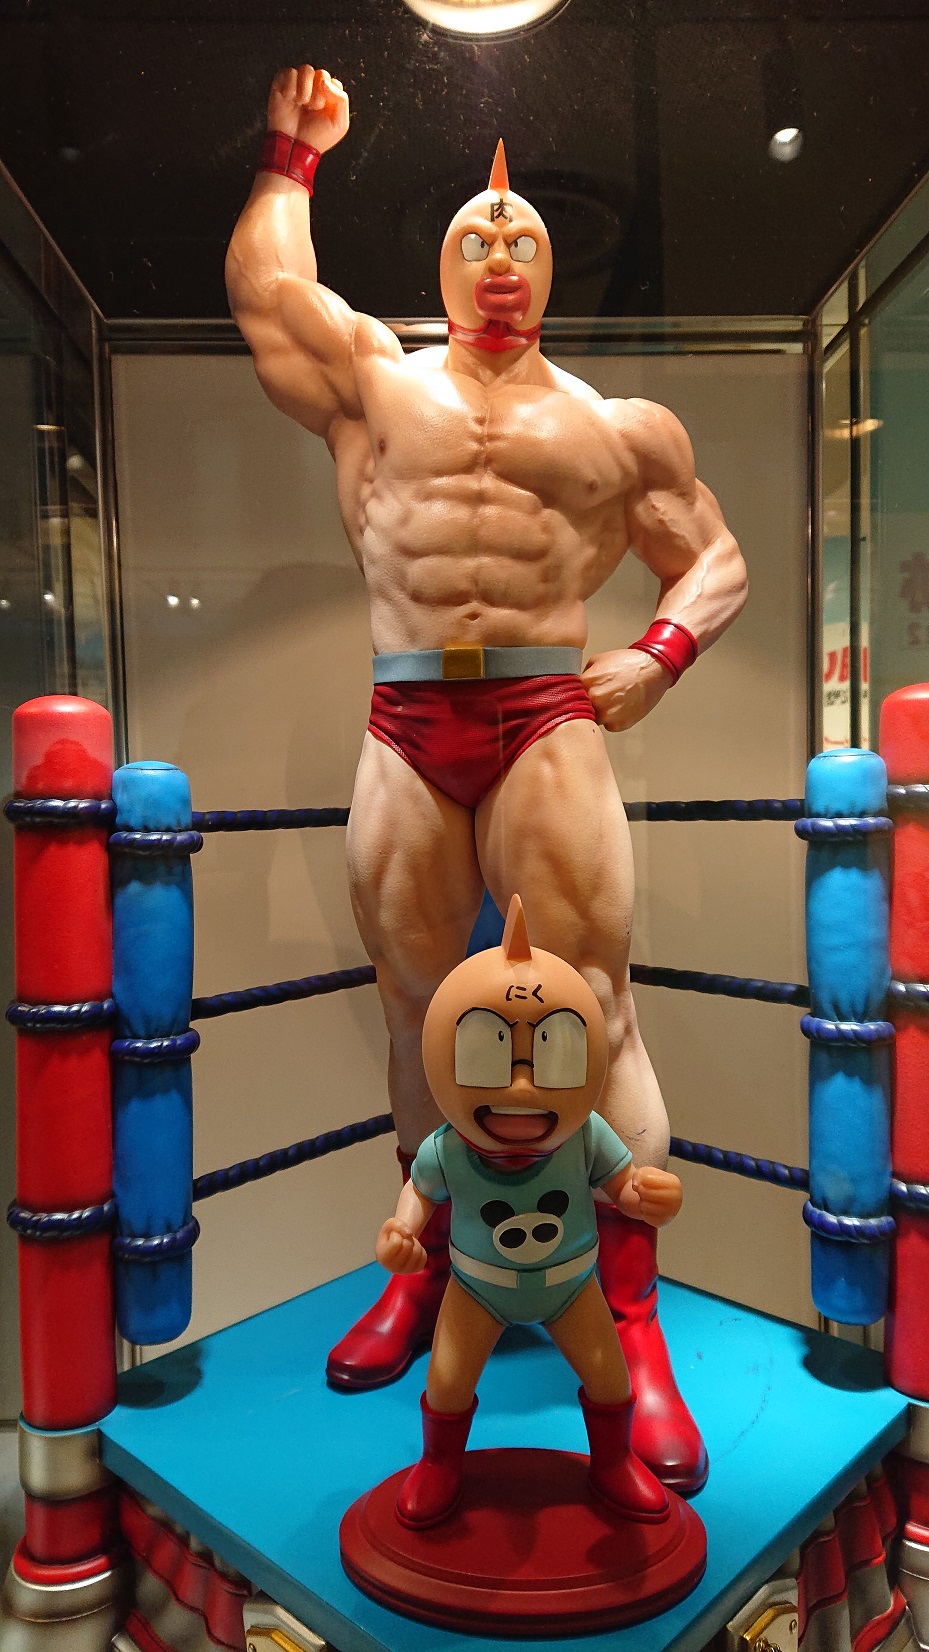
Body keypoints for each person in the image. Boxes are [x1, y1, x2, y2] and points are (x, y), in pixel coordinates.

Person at [226, 63, 748, 1494]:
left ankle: (630, 1330)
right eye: (476, 236)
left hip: (542, 712)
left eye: (524, 238)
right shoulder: (374, 382)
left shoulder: (616, 425)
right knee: (416, 1008)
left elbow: (711, 558)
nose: (502, 254)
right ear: (444, 264)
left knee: (594, 1007)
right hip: (405, 714)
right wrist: (290, 156)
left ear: (553, 268)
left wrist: (657, 654)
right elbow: (268, 296)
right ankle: (424, 1273)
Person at [379, 895, 682, 1529]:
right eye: (486, 1052)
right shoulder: (447, 1149)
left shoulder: (585, 1135)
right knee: (446, 1382)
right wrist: (401, 1232)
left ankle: (614, 1461)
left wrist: (648, 1196)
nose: (521, 1086)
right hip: (475, 1290)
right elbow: (419, 1195)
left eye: (555, 1052)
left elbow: (623, 1186)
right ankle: (438, 1463)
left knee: (610, 1378)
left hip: (573, 1287)